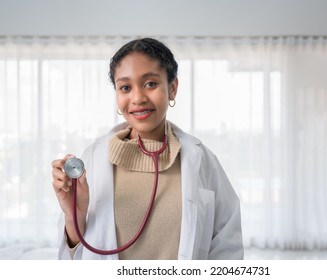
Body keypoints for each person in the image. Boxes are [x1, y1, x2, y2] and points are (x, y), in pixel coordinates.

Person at [51, 37, 243, 260]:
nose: (138, 98)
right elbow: (73, 256)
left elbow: (227, 245)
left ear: (172, 88)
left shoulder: (201, 160)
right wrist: (75, 215)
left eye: (150, 83)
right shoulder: (93, 159)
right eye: (125, 87)